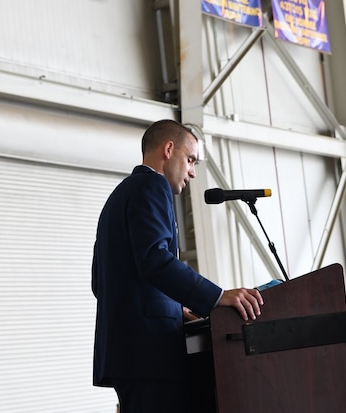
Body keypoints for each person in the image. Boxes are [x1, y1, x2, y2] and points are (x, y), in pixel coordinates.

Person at [92, 119, 264, 412]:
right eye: (190, 160)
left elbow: (101, 282)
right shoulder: (152, 185)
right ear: (169, 149)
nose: (193, 172)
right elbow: (156, 260)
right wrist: (217, 296)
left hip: (127, 354)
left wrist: (173, 308)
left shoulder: (119, 196)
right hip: (151, 353)